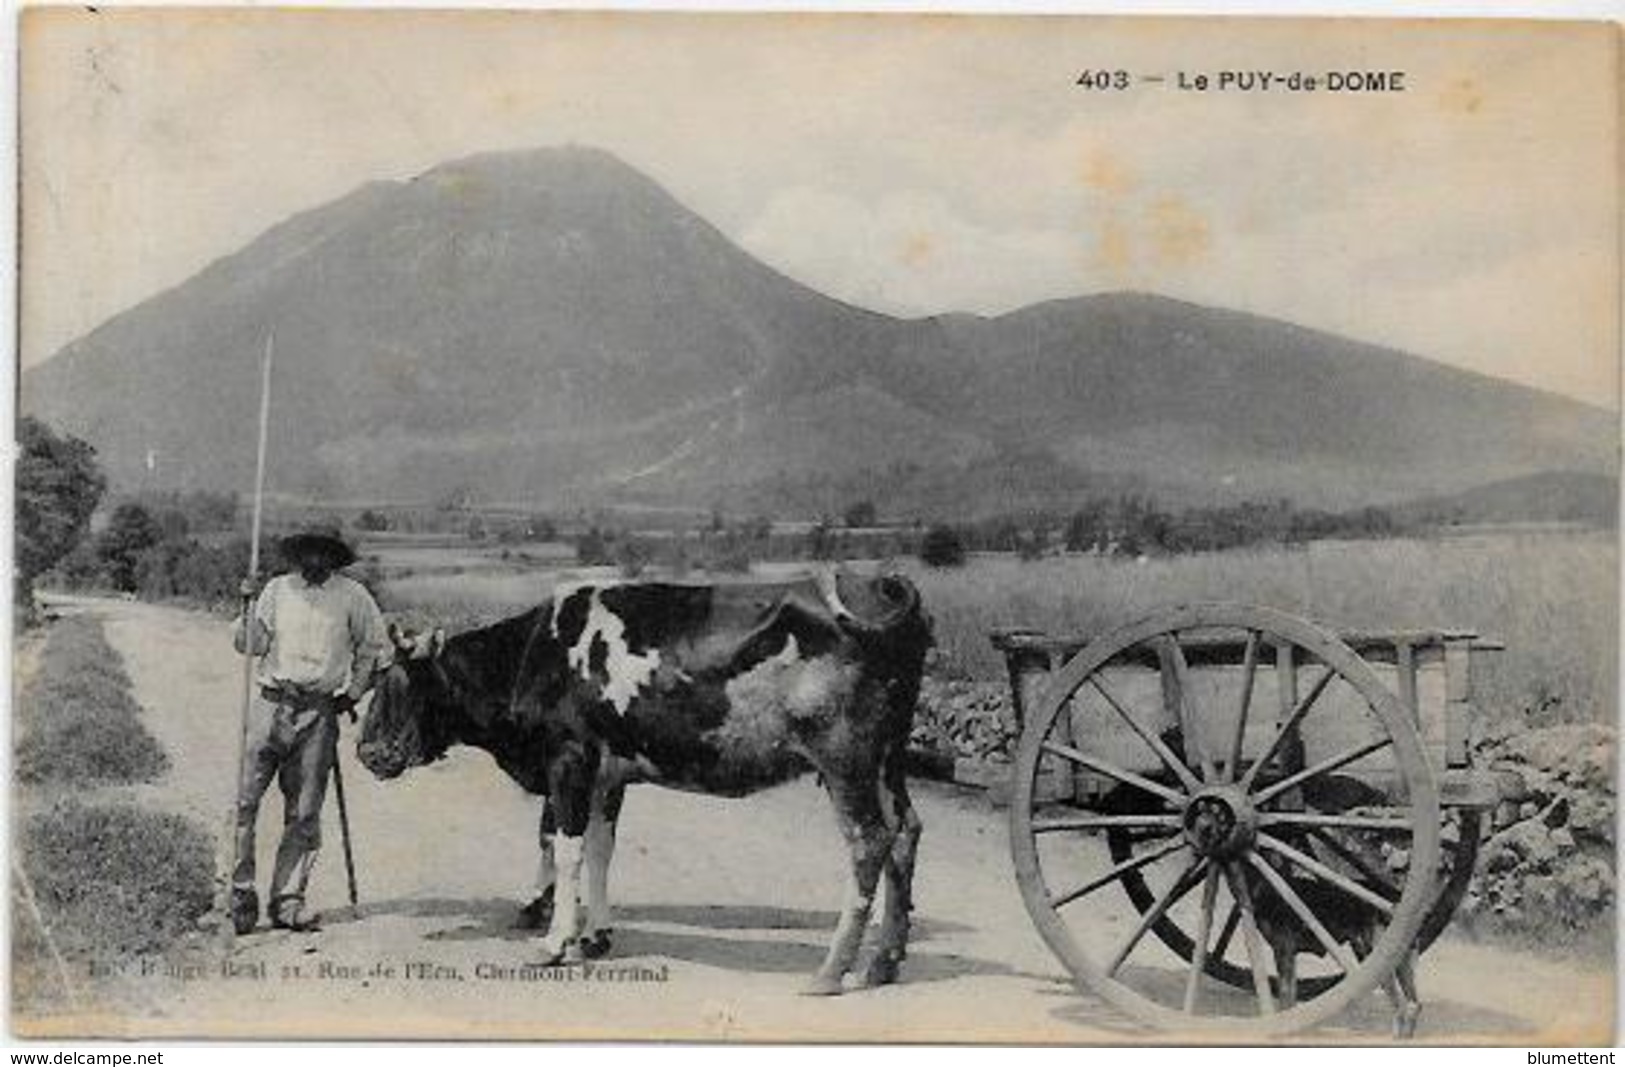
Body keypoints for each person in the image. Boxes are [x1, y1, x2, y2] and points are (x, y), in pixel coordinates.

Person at [230, 523, 389, 934]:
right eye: (308, 551)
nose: (315, 559)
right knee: (244, 800)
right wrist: (245, 606)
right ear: (298, 554)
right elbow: (250, 645)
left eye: (323, 552)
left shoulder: (353, 596)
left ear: (334, 557)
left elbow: (374, 646)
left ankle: (287, 901)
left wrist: (352, 693)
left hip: (319, 714)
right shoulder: (276, 591)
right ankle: (236, 894)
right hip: (270, 703)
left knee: (304, 812)